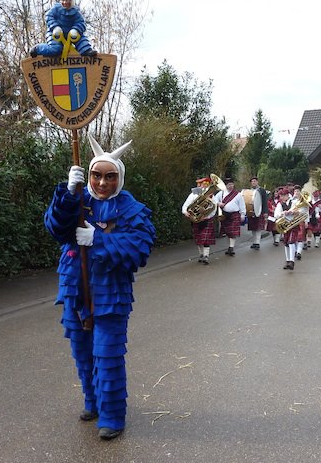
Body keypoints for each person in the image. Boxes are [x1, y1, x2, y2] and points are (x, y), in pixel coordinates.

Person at [44, 136, 155, 440]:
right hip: (74, 288)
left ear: (119, 177)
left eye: (109, 176)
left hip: (111, 295)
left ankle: (112, 417)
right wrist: (67, 194)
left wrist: (98, 240)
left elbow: (139, 249)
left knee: (107, 356)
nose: (102, 182)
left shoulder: (131, 208)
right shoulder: (78, 199)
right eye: (96, 175)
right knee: (82, 352)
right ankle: (92, 403)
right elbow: (56, 228)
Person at [30, 0, 97, 58]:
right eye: (63, 0)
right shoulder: (55, 9)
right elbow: (49, 17)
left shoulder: (76, 13)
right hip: (55, 34)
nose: (65, 2)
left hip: (71, 34)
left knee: (81, 39)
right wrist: (55, 27)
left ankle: (86, 51)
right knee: (55, 49)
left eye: (67, 0)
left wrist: (76, 29)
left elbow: (81, 23)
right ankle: (38, 49)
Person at [182, 177, 216, 264]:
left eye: (205, 185)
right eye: (201, 185)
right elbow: (185, 205)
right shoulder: (193, 194)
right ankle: (201, 254)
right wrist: (185, 212)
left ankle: (206, 256)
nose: (202, 187)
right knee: (199, 239)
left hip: (206, 219)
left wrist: (206, 215)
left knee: (206, 239)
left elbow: (214, 208)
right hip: (196, 219)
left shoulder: (211, 195)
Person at [273, 188, 305, 270]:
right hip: (285, 225)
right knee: (286, 243)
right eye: (281, 196)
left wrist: (295, 212)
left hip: (293, 225)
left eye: (283, 196)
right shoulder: (280, 204)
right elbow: (276, 215)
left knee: (291, 242)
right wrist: (283, 213)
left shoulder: (294, 202)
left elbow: (302, 211)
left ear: (287, 195)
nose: (282, 197)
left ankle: (292, 261)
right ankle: (287, 261)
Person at [214, 177, 246, 256]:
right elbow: (214, 200)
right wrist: (218, 203)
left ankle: (231, 248)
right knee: (228, 232)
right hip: (224, 215)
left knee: (233, 232)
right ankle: (229, 246)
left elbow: (242, 205)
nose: (231, 186)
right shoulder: (221, 193)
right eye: (229, 184)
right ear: (225, 185)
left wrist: (243, 214)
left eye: (232, 184)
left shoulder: (238, 195)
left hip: (234, 215)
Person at [246, 176, 268, 250]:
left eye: (255, 181)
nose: (253, 182)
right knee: (253, 227)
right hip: (251, 211)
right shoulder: (249, 191)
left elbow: (265, 202)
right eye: (252, 181)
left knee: (258, 228)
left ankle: (257, 243)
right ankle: (254, 242)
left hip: (259, 211)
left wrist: (265, 212)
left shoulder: (262, 190)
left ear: (257, 182)